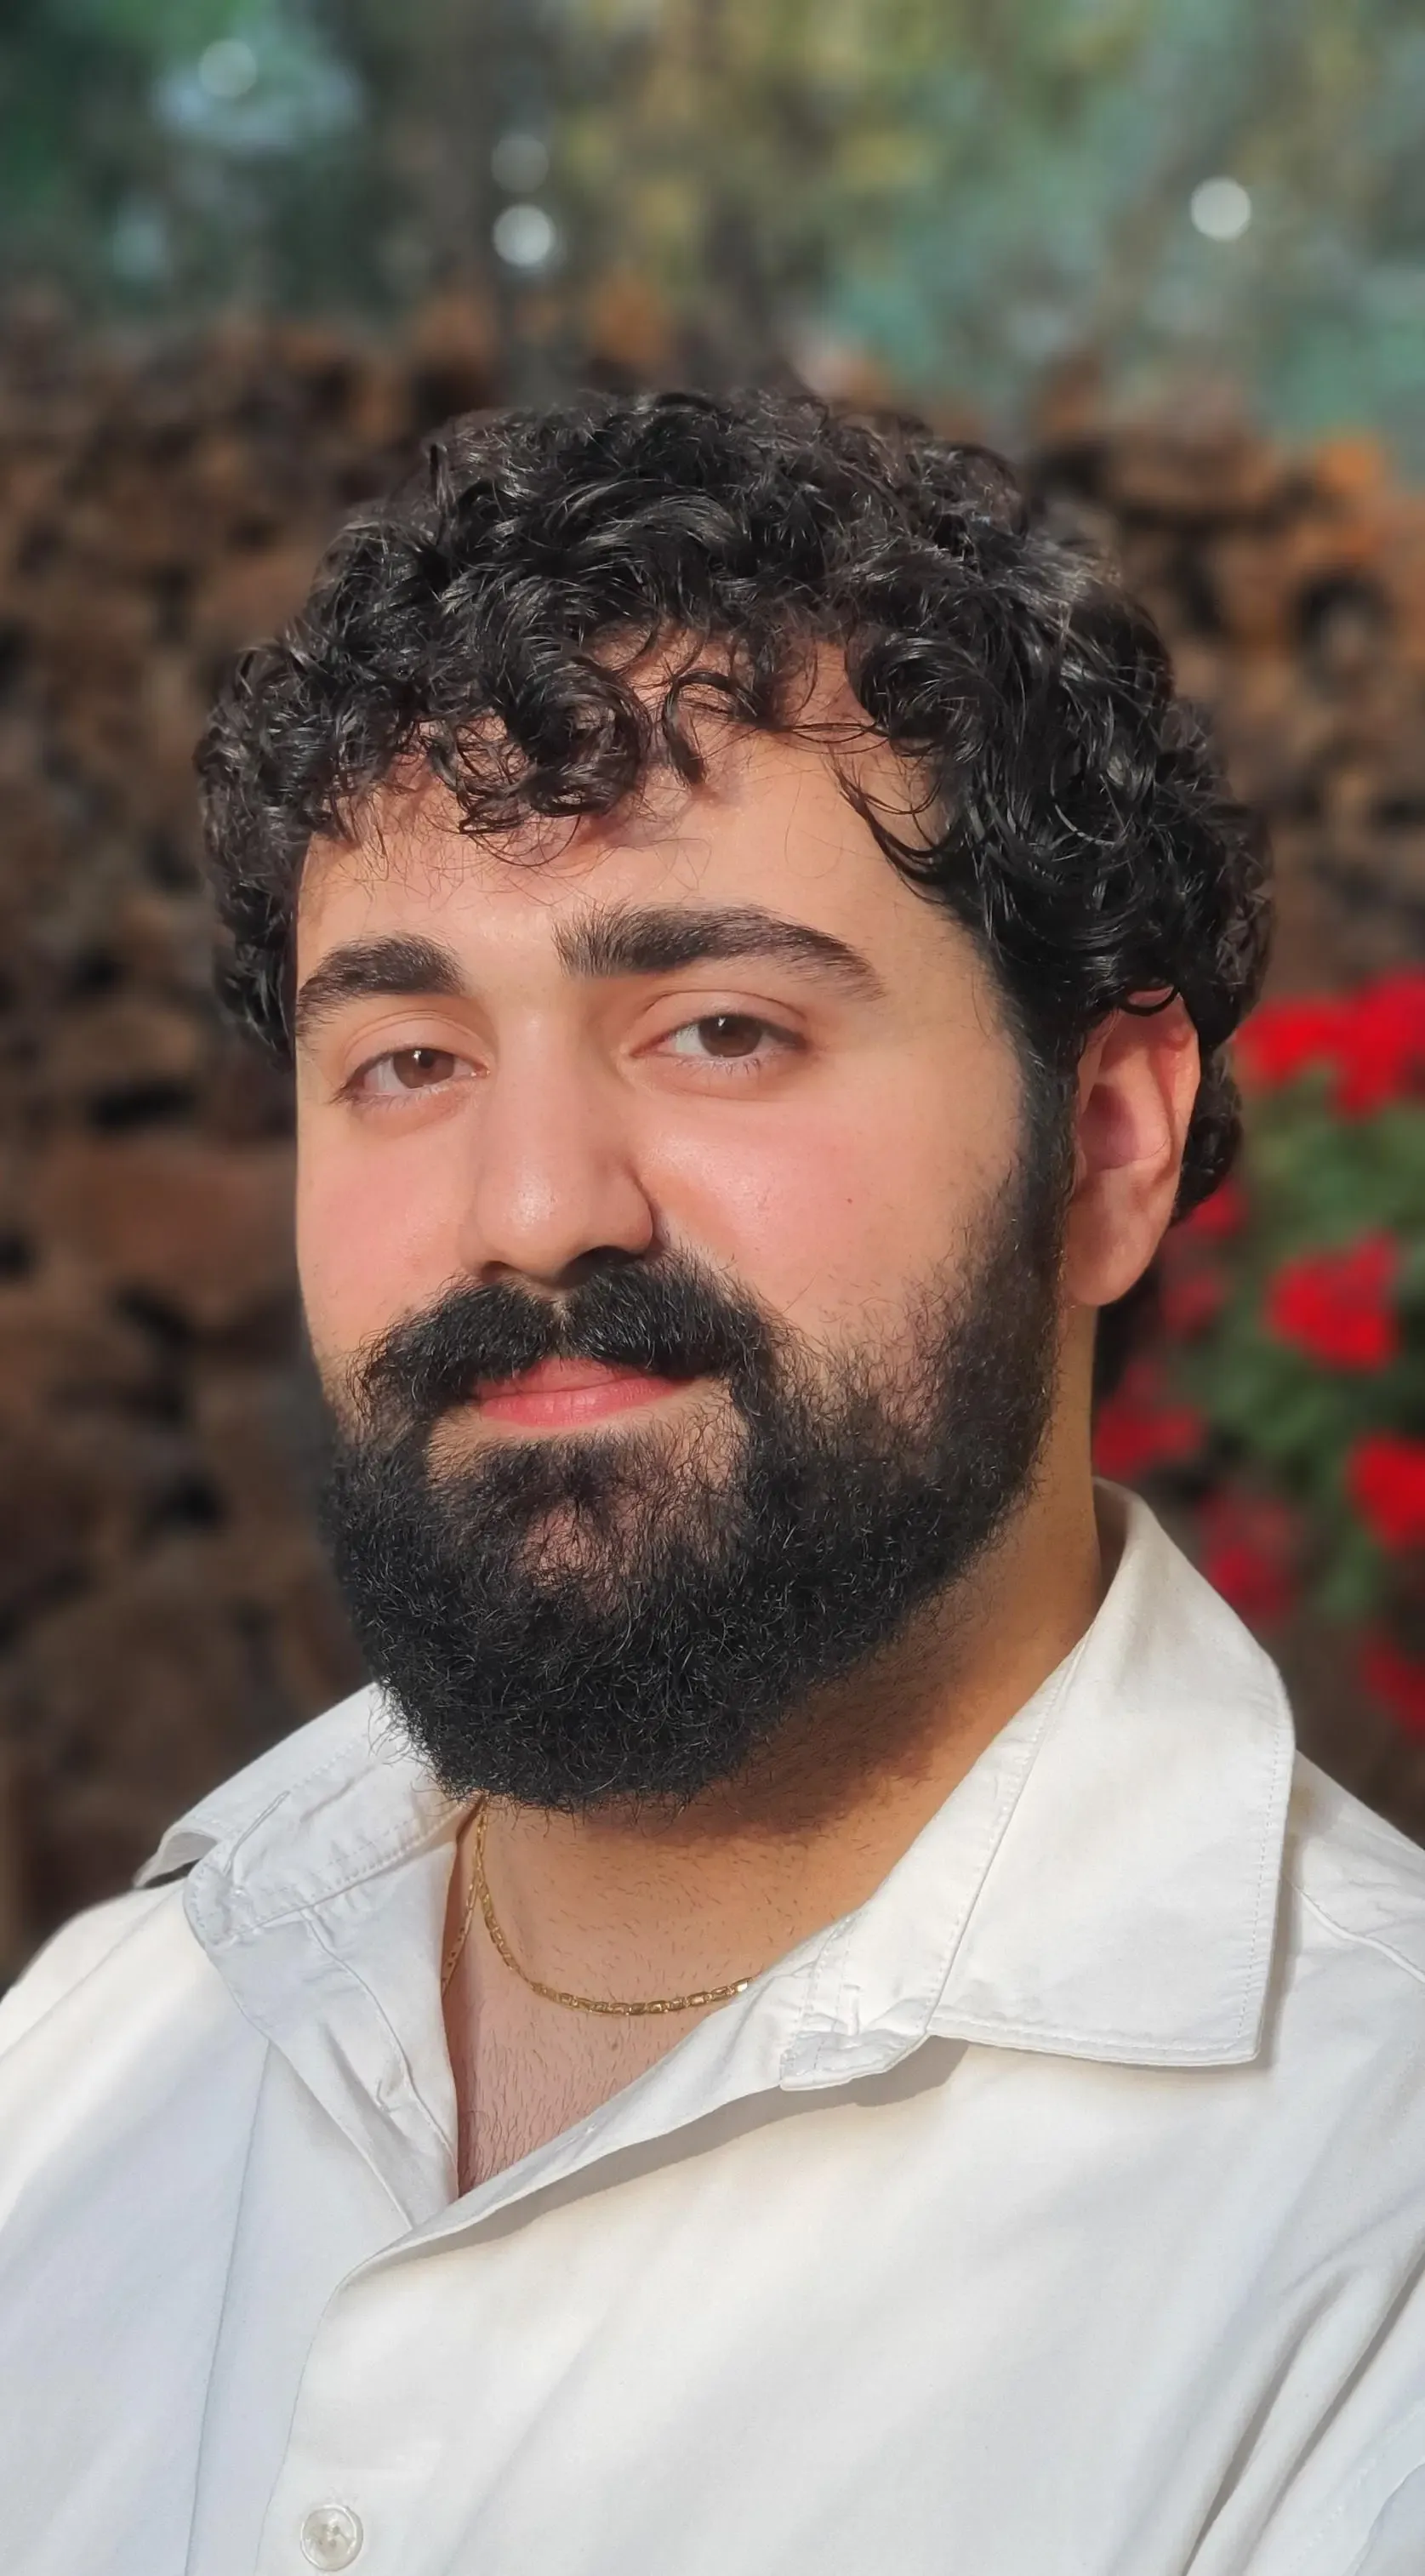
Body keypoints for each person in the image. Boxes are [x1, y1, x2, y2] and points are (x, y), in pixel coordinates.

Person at [1, 390, 1422, 2576]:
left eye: (721, 1028)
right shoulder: (93, 2052)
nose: (536, 1206)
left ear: (1113, 1146)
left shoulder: (1363, 2228)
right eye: (407, 1058)